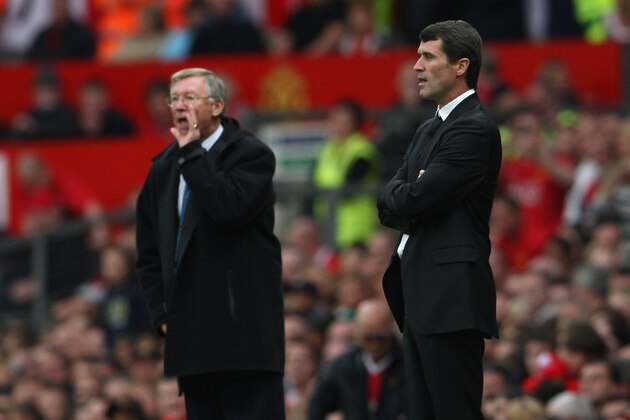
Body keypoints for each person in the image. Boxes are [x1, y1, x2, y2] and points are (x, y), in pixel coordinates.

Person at [135, 68, 285, 419]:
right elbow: (148, 253)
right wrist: (161, 314)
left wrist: (190, 155)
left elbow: (227, 208)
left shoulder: (251, 155)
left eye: (189, 97)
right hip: (193, 344)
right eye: (174, 99)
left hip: (245, 342)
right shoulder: (162, 169)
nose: (179, 106)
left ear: (217, 106)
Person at [377, 20, 502, 418]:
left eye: (428, 57)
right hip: (422, 297)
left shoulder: (474, 129)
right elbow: (391, 199)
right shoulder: (431, 128)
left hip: (450, 299)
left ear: (461, 65)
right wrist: (406, 190)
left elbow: (412, 199)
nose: (416, 66)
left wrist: (407, 190)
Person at [307, 299, 406, 419]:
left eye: (381, 338)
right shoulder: (342, 367)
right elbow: (317, 407)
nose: (376, 344)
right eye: (368, 338)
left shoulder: (407, 366)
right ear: (358, 335)